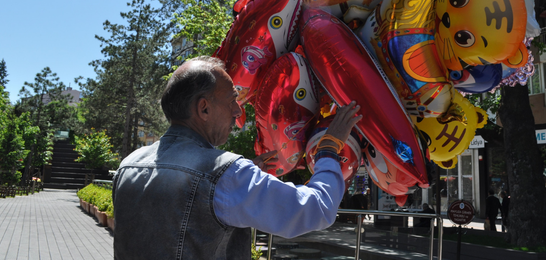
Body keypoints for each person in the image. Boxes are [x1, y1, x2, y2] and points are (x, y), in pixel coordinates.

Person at [112, 56, 362, 259]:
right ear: (204, 108)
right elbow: (316, 209)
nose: (238, 111)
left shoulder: (129, 165)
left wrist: (241, 174)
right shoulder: (227, 174)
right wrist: (329, 148)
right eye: (232, 100)